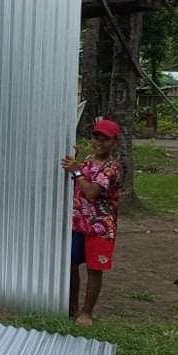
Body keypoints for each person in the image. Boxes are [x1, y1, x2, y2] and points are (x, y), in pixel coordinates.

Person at [60, 119, 123, 327]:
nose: (99, 142)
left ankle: (86, 313)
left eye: (105, 139)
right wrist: (76, 164)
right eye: (96, 137)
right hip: (79, 224)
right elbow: (77, 183)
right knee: (71, 265)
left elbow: (91, 192)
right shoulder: (88, 160)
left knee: (95, 270)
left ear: (114, 142)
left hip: (100, 228)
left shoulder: (112, 168)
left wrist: (76, 170)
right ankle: (71, 308)